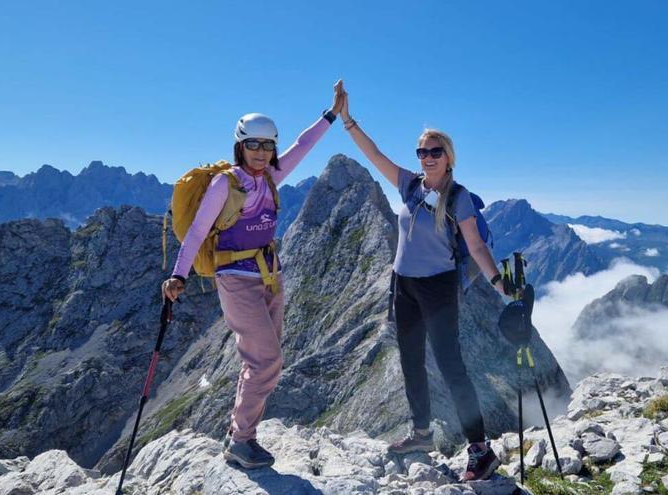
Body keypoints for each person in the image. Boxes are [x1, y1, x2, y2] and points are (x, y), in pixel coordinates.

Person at [161, 81, 345, 469]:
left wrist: (331, 114)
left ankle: (242, 437)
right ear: (239, 146)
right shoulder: (224, 184)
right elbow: (196, 231)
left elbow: (303, 145)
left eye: (267, 146)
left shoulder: (270, 178)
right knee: (265, 360)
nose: (262, 153)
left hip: (270, 276)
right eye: (254, 145)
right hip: (235, 278)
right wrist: (179, 276)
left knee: (264, 360)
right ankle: (240, 440)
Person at [339, 83, 507, 482]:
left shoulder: (459, 197)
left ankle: (480, 449)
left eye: (435, 152)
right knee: (410, 359)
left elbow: (477, 247)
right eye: (422, 152)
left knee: (451, 367)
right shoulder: (409, 184)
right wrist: (347, 120)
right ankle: (421, 434)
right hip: (405, 285)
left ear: (449, 158)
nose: (427, 157)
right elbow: (374, 154)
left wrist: (501, 285)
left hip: (438, 288)